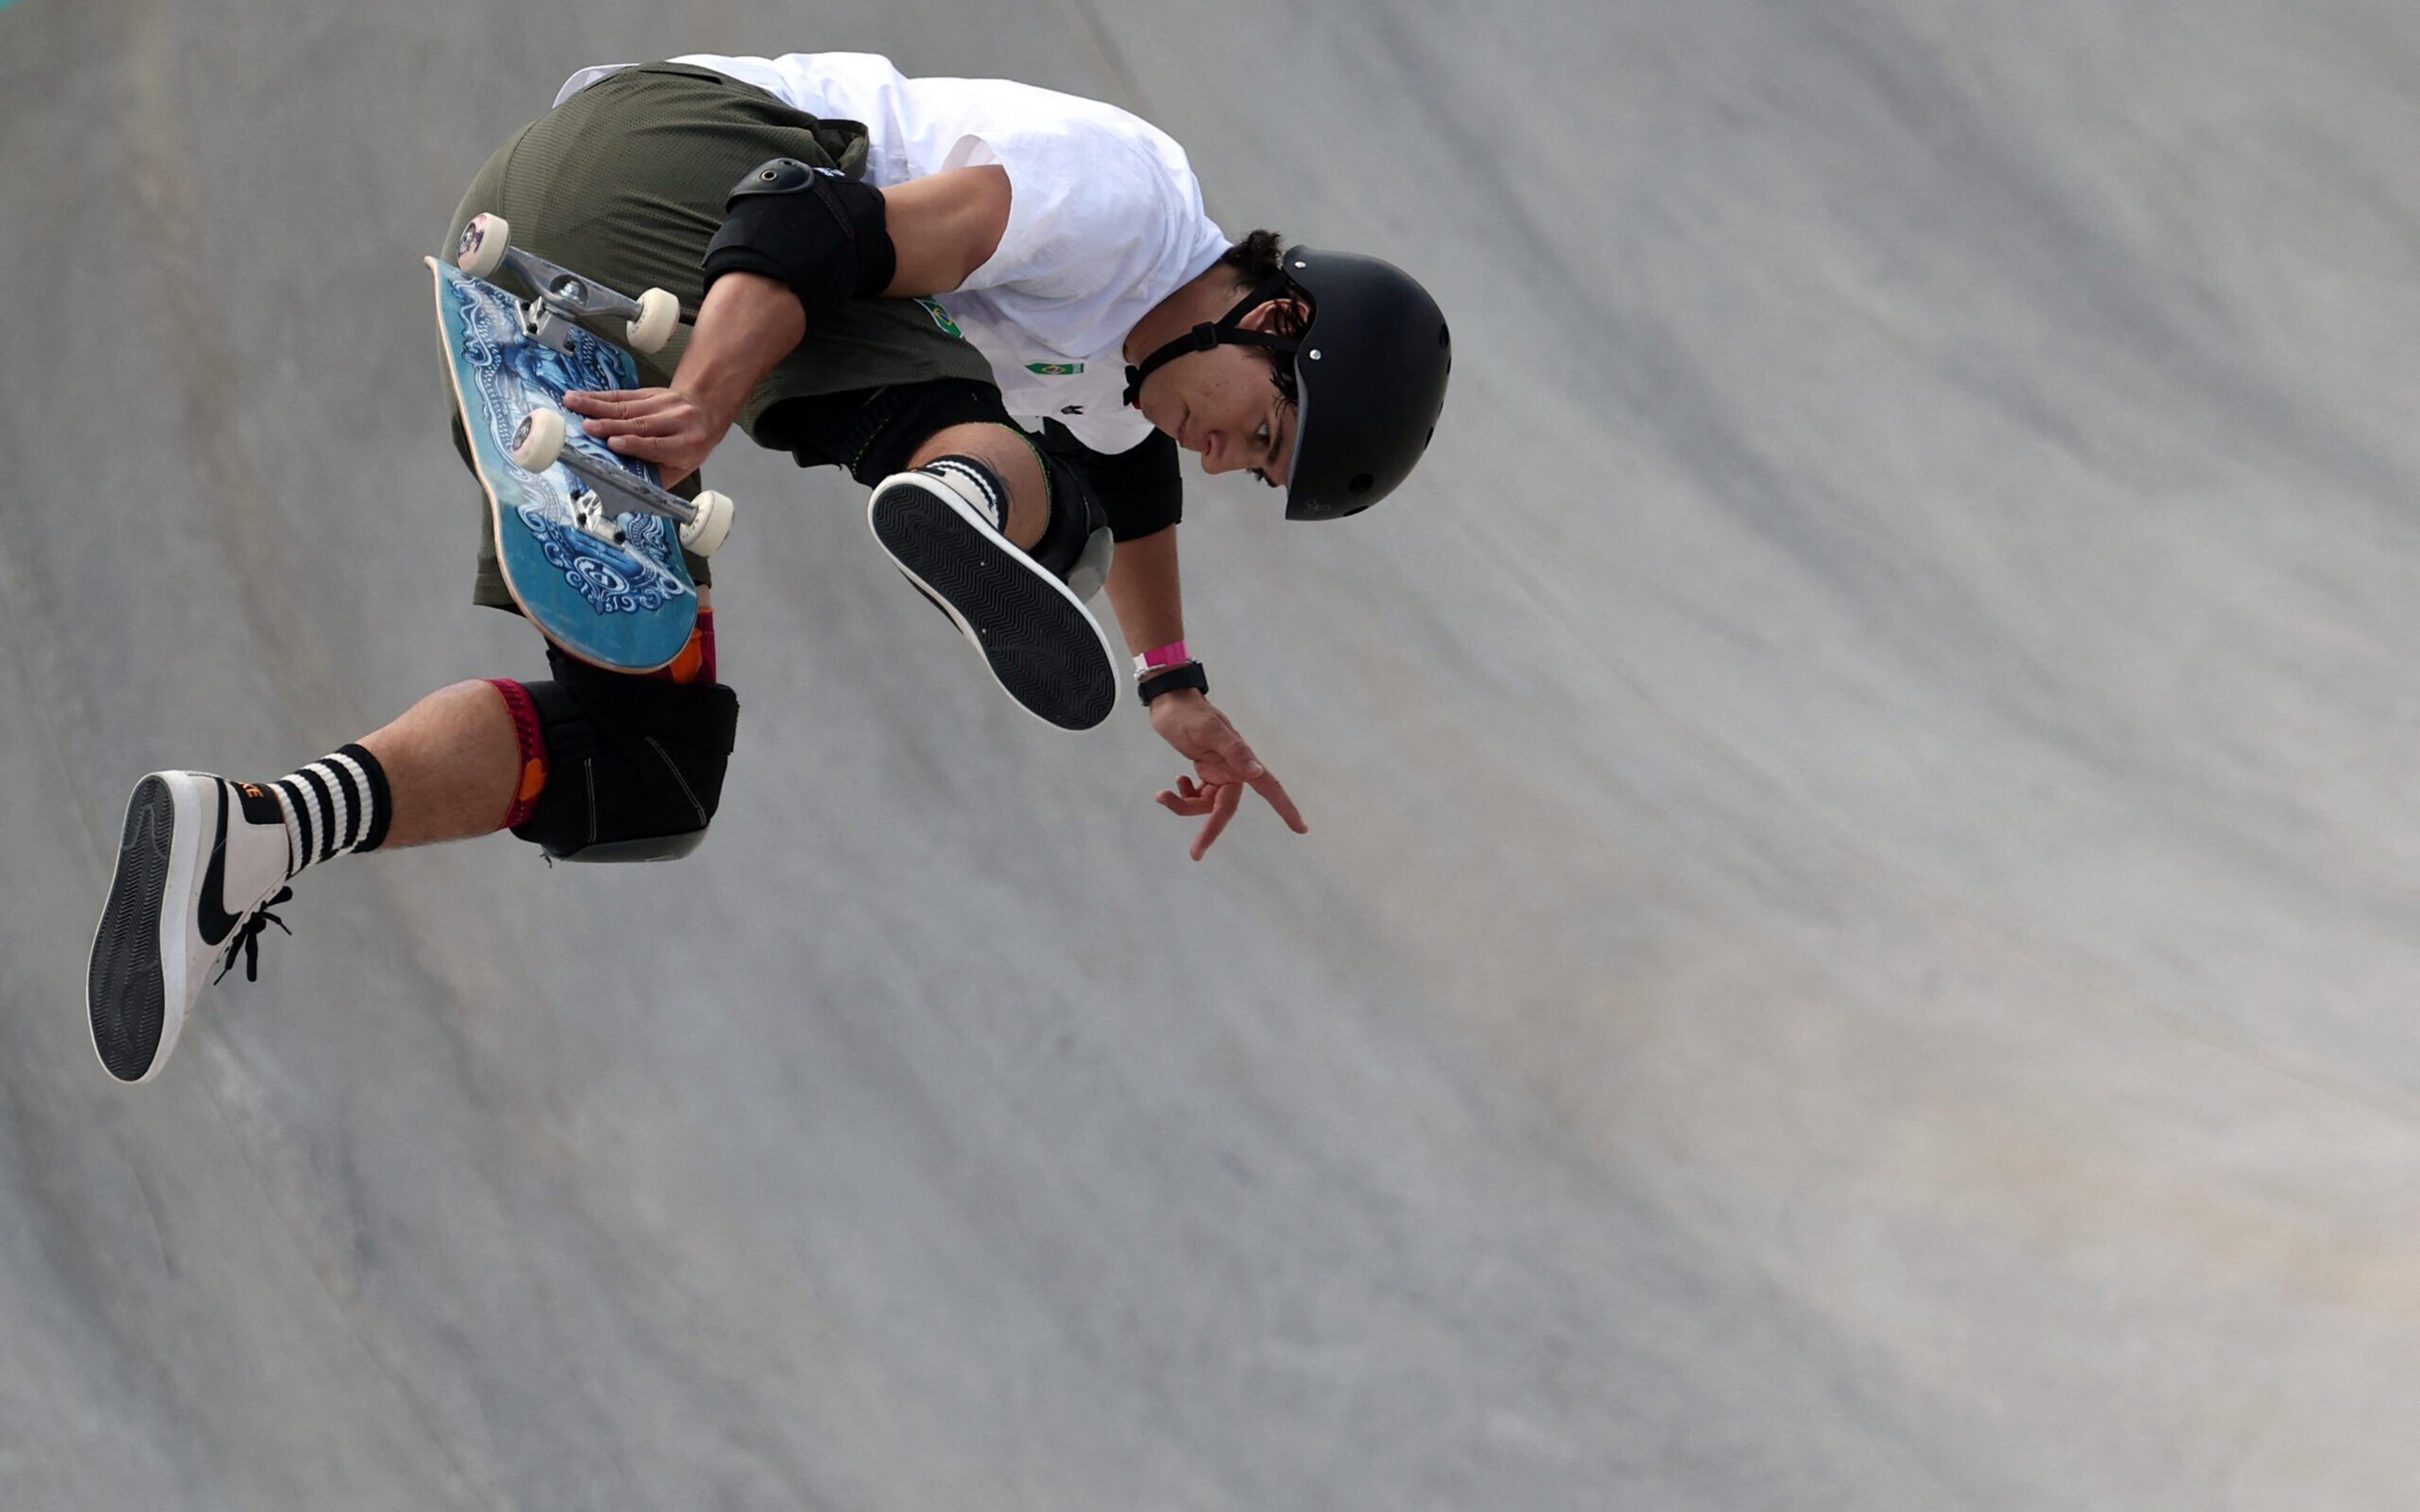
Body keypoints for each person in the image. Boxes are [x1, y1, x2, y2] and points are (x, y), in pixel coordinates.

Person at [84, 52, 1453, 1084]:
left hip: (536, 264)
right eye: (1263, 430)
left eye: (1257, 472)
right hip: (685, 176)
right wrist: (710, 401)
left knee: (651, 765)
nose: (1229, 461)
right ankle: (954, 495)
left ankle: (253, 832)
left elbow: (1143, 487)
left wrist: (1173, 684)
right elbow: (817, 226)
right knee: (1029, 487)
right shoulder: (1124, 204)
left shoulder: (1131, 368)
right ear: (1277, 315)